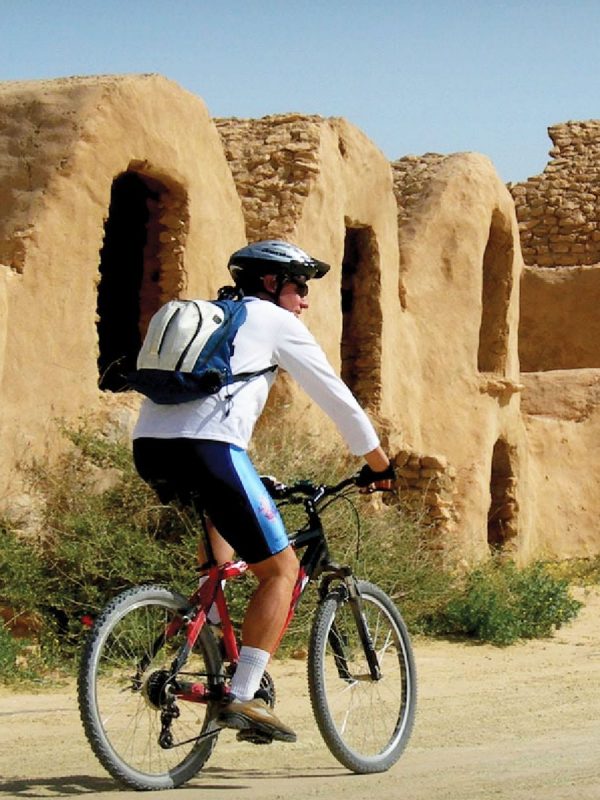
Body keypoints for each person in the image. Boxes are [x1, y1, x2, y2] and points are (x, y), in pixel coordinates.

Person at [132, 239, 395, 743]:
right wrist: (380, 465)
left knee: (222, 520)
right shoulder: (276, 323)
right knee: (282, 570)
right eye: (300, 287)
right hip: (211, 450)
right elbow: (337, 398)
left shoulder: (210, 315)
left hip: (150, 447)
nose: (305, 300)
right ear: (272, 284)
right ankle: (244, 693)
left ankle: (207, 624)